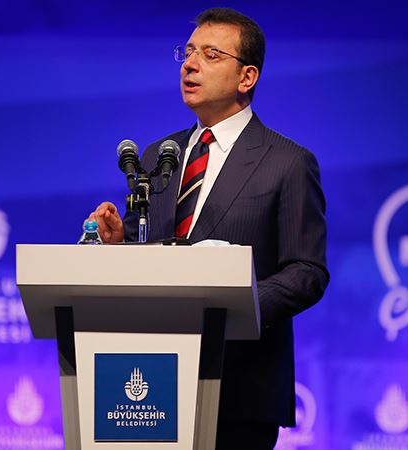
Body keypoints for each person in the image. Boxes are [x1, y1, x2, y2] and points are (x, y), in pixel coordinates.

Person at [89, 7, 328, 450]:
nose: (190, 64)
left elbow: (307, 271)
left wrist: (232, 303)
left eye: (211, 54)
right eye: (188, 52)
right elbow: (151, 256)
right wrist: (120, 246)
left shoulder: (288, 162)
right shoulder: (158, 156)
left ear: (247, 77)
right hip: (149, 383)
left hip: (239, 386)